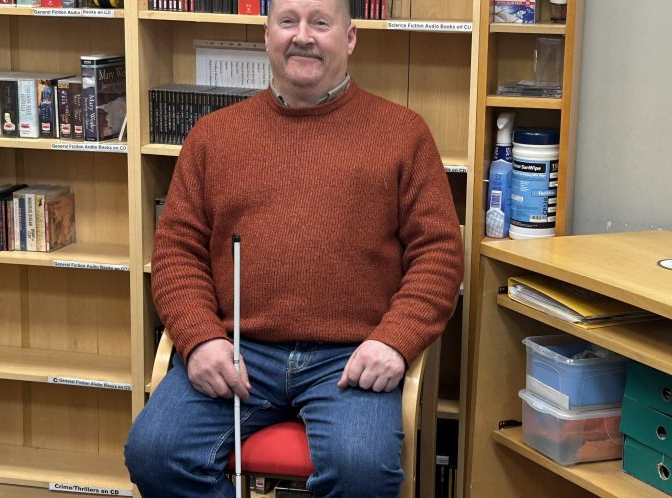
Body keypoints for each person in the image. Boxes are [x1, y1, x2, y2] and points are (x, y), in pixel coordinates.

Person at [123, 0, 464, 496]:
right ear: (267, 36)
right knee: (154, 453)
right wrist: (199, 339)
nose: (302, 36)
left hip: (351, 359)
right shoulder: (214, 136)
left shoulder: (403, 134)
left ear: (349, 38)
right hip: (237, 351)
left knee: (362, 473)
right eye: (288, 21)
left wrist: (395, 340)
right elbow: (177, 250)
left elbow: (438, 255)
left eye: (320, 22)